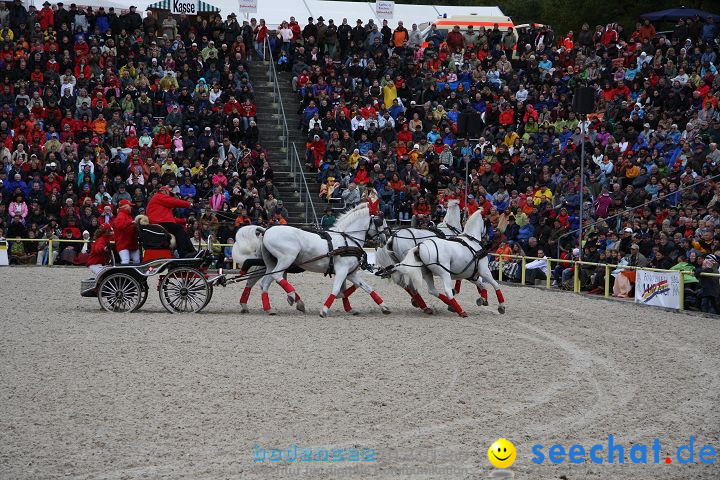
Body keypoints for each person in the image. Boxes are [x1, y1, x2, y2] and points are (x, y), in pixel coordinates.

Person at [146, 185, 196, 257]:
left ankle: (192, 251)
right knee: (179, 229)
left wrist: (185, 220)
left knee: (181, 230)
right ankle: (183, 253)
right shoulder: (159, 196)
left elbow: (171, 219)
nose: (170, 196)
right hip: (158, 224)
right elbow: (174, 202)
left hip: (159, 223)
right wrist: (189, 204)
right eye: (170, 193)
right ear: (165, 191)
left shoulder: (159, 201)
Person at [112, 199, 140, 264]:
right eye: (129, 206)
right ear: (124, 207)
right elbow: (119, 226)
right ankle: (122, 274)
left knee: (136, 261)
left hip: (131, 243)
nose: (131, 207)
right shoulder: (121, 215)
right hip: (123, 243)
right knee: (126, 261)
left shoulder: (128, 215)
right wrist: (131, 222)